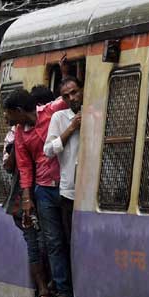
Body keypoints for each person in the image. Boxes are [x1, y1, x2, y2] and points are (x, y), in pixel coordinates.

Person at [9, 87, 72, 297]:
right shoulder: (19, 133)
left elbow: (75, 101)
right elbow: (25, 166)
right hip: (43, 189)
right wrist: (27, 198)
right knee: (53, 241)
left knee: (68, 237)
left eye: (9, 114)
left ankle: (70, 288)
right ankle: (63, 291)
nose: (8, 119)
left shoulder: (52, 110)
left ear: (18, 110)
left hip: (66, 184)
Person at [43, 78, 83, 242]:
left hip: (94, 191)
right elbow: (48, 150)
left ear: (82, 90)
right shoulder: (59, 117)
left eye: (74, 92)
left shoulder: (97, 111)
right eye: (66, 96)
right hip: (69, 192)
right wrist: (72, 127)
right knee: (70, 241)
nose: (72, 98)